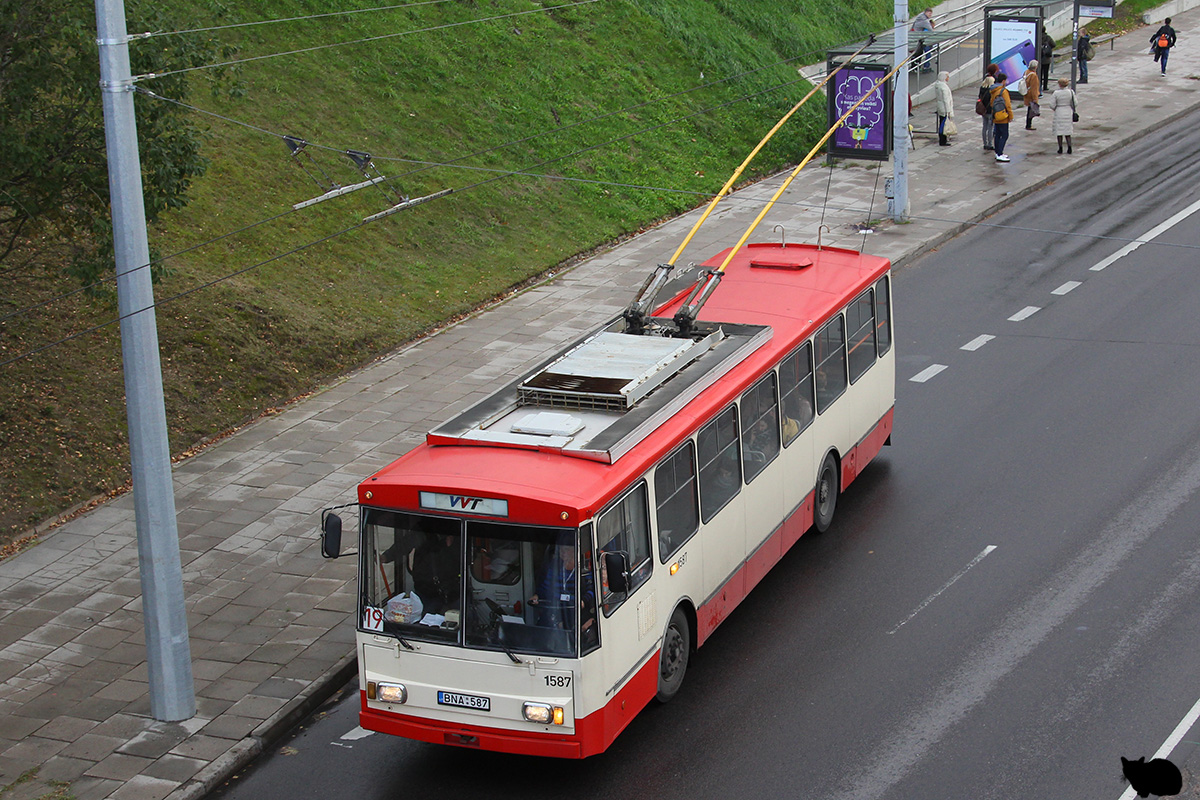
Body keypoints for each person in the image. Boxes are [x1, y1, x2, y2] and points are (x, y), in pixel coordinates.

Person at [990, 72, 1013, 162]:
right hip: (1003, 116)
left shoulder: (993, 90)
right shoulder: (1004, 91)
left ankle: (997, 152)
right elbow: (1008, 105)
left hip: (996, 115)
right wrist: (1010, 116)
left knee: (997, 134)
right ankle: (1000, 153)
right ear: (1003, 81)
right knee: (1004, 135)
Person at [1051, 77, 1076, 154]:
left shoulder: (1056, 93)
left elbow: (1052, 105)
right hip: (1068, 111)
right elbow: (1075, 103)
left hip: (1059, 111)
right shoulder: (1071, 92)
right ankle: (1069, 147)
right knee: (1067, 131)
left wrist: (1055, 108)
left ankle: (1060, 148)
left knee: (1059, 132)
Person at [934, 71, 954, 146]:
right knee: (944, 124)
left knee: (942, 122)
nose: (948, 78)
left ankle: (942, 139)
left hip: (940, 107)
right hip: (944, 108)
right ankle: (943, 140)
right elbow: (946, 100)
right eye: (947, 76)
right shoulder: (944, 87)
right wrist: (949, 111)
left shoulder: (938, 85)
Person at [979, 73, 996, 150]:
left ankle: (984, 143)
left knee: (984, 127)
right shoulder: (991, 91)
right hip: (990, 110)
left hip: (983, 110)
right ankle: (990, 143)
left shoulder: (982, 89)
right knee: (990, 127)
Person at [1023, 61, 1040, 130]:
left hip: (1027, 93)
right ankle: (1028, 125)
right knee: (1031, 110)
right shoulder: (1034, 76)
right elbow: (1034, 88)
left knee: (1029, 110)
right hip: (1031, 95)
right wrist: (1035, 98)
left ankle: (1028, 124)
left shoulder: (1026, 72)